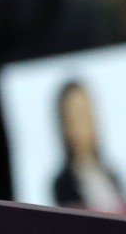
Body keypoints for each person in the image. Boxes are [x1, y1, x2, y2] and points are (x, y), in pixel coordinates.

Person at [52, 80, 124, 213]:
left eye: (84, 115)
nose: (81, 125)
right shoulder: (64, 184)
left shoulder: (112, 175)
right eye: (73, 118)